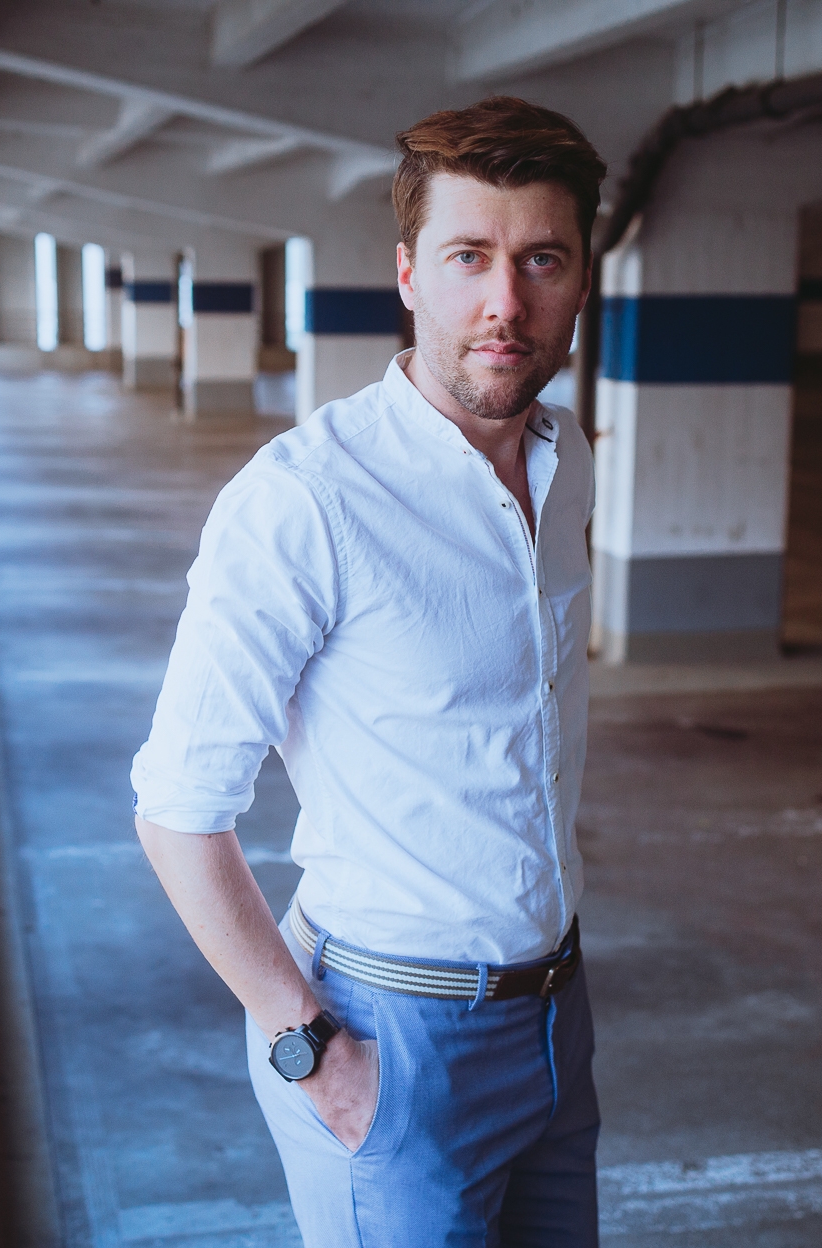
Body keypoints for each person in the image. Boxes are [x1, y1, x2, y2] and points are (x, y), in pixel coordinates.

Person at [130, 96, 606, 1245]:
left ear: (582, 274)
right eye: (468, 258)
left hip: (555, 1019)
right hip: (390, 1042)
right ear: (407, 275)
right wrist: (312, 1053)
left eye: (542, 258)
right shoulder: (306, 500)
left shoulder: (565, 453)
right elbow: (177, 811)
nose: (506, 301)